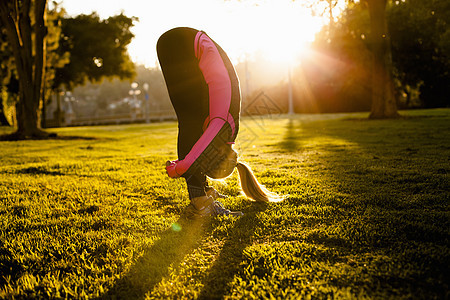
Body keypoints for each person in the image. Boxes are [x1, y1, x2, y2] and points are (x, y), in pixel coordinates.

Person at [157, 27, 282, 218]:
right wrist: (178, 167)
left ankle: (202, 194)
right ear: (215, 156)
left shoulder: (228, 135)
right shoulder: (224, 128)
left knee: (190, 120)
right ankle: (201, 202)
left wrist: (180, 164)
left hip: (178, 43)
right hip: (183, 44)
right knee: (190, 121)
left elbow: (199, 150)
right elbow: (197, 153)